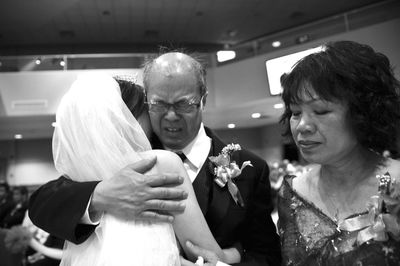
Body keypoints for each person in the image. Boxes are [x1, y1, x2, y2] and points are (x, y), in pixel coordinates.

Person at [29, 52, 281, 266]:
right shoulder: (120, 157)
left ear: (203, 100)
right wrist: (98, 196)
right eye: (159, 104)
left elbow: (266, 255)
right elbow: (43, 203)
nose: (170, 116)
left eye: (183, 104)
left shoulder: (249, 167)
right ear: (147, 99)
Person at [277, 40, 400, 265]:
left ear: (362, 112)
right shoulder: (292, 193)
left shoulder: (397, 183)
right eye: (295, 112)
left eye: (321, 111)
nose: (302, 125)